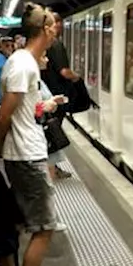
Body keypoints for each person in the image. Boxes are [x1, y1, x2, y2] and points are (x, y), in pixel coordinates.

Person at [0, 2, 67, 266]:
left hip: (22, 153)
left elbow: (18, 112)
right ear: (46, 30)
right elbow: (2, 115)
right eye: (53, 30)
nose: (55, 35)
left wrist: (43, 105)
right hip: (27, 157)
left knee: (17, 226)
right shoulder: (23, 65)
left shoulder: (24, 63)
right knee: (43, 228)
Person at [43, 13, 80, 180]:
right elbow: (64, 71)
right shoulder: (56, 45)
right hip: (56, 96)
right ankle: (52, 170)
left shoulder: (48, 46)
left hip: (48, 94)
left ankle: (52, 168)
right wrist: (78, 78)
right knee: (53, 133)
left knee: (50, 133)